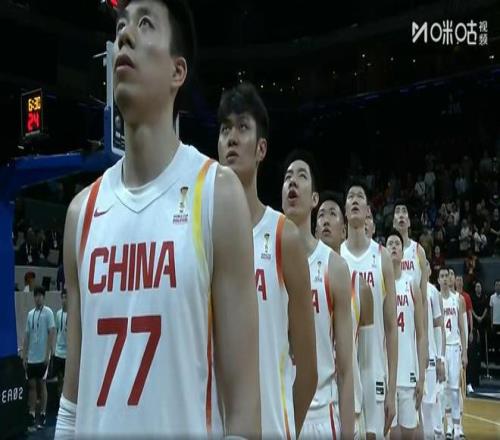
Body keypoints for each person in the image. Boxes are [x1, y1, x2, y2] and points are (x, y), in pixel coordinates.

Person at [55, 1, 260, 437]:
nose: (125, 35)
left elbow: (244, 406)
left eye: (145, 23)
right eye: (122, 25)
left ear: (177, 71)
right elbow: (71, 402)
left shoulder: (217, 195)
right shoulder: (81, 214)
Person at [217, 82, 317, 437]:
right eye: (225, 129)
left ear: (261, 148)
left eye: (242, 127)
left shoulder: (283, 236)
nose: (231, 138)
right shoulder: (200, 234)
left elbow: (308, 370)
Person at [282, 152, 355, 438]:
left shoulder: (334, 267)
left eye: (301, 176)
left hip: (322, 418)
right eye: (288, 177)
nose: (292, 182)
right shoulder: (264, 259)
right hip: (278, 414)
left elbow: (346, 369)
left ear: (314, 199)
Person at [340, 182, 398, 439]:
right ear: (345, 210)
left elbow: (392, 327)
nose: (354, 199)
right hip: (343, 370)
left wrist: (392, 390)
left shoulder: (381, 256)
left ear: (367, 211)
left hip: (374, 368)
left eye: (360, 196)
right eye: (350, 196)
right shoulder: (335, 256)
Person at [316, 190, 374, 438]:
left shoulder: (361, 287)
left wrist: (372, 420)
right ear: (315, 231)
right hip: (314, 410)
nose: (325, 220)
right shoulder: (299, 279)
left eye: (332, 213)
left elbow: (367, 362)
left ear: (343, 231)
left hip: (352, 410)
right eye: (320, 215)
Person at [386, 230, 425, 439]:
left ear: (402, 252)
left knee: (410, 432)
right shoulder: (381, 285)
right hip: (387, 372)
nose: (393, 246)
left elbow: (421, 334)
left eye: (397, 244)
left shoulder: (412, 285)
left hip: (408, 370)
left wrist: (421, 376)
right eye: (390, 243)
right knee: (390, 433)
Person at [393, 201, 429, 365]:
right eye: (397, 211)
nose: (401, 214)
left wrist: (425, 339)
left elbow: (424, 299)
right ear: (393, 222)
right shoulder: (386, 252)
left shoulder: (418, 251)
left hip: (414, 321)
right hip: (393, 318)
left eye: (404, 211)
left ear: (408, 221)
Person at [438, 268, 467, 440]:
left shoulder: (458, 299)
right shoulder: (436, 299)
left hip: (455, 347)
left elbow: (462, 329)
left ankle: (457, 427)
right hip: (442, 349)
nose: (445, 279)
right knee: (444, 390)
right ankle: (448, 425)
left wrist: (465, 353)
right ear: (438, 280)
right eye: (442, 276)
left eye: (447, 276)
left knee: (455, 390)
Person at [22, 286, 55, 431]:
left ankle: (42, 414)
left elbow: (51, 333)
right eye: (36, 296)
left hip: (42, 356)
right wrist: (24, 355)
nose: (38, 298)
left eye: (40, 295)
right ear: (34, 297)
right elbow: (27, 335)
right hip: (32, 357)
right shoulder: (30, 314)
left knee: (42, 384)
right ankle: (32, 414)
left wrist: (48, 353)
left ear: (44, 297)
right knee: (32, 385)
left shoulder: (48, 313)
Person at [421, 260, 446, 440]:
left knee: (429, 406)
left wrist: (440, 359)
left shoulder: (433, 292)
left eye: (426, 265)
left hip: (430, 355)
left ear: (430, 271)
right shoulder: (408, 286)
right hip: (412, 357)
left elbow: (439, 326)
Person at [456, 275, 474, 393]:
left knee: (466, 357)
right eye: (457, 280)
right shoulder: (452, 297)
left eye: (460, 280)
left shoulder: (465, 297)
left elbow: (469, 314)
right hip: (454, 333)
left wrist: (471, 331)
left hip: (464, 331)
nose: (459, 282)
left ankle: (468, 383)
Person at [54, 289, 68, 400]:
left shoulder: (73, 314)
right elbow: (58, 330)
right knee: (59, 379)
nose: (64, 300)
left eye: (66, 297)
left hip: (68, 354)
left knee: (67, 380)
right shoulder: (58, 314)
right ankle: (59, 401)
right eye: (62, 297)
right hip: (59, 352)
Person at [471, 282, 489, 370]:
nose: (478, 288)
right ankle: (476, 361)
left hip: (483, 323)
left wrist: (481, 317)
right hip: (475, 322)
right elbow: (471, 309)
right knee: (476, 342)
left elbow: (486, 308)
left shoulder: (484, 297)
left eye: (479, 286)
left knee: (483, 342)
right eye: (477, 286)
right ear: (475, 288)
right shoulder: (472, 297)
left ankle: (484, 360)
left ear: (481, 288)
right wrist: (477, 317)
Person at [489, 280, 500, 364]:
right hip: (494, 323)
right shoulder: (492, 297)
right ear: (494, 287)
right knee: (495, 342)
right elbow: (491, 310)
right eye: (496, 285)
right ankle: (495, 360)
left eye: (499, 285)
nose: (498, 287)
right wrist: (491, 322)